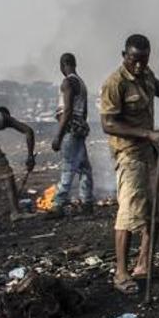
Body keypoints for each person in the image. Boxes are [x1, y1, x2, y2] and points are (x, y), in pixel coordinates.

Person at [99, 34, 159, 295]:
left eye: (144, 60)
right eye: (134, 60)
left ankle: (144, 264)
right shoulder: (115, 83)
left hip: (150, 152)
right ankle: (121, 273)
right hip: (129, 154)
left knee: (158, 206)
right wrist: (147, 133)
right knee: (129, 213)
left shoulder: (145, 73)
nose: (139, 66)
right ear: (124, 55)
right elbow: (108, 124)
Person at [49, 53, 94, 215]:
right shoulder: (82, 84)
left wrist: (58, 136)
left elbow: (67, 110)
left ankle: (58, 204)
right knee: (84, 167)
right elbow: (85, 112)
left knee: (68, 167)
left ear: (63, 65)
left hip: (69, 129)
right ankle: (87, 202)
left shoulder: (67, 82)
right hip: (79, 128)